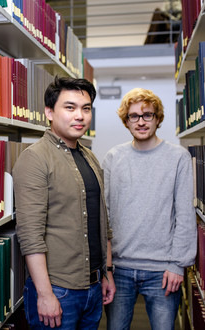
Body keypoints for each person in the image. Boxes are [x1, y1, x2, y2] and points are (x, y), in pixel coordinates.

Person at [12, 76, 115, 329]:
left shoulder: (89, 156)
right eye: (70, 107)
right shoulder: (35, 158)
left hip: (93, 287)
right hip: (59, 290)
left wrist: (107, 273)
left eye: (86, 108)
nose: (79, 116)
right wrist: (45, 295)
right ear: (49, 111)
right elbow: (30, 235)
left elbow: (103, 220)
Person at [102, 87, 197, 330]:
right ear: (126, 121)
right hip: (120, 270)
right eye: (134, 116)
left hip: (163, 271)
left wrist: (178, 265)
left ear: (158, 118)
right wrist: (107, 267)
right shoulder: (113, 157)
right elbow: (106, 215)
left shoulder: (178, 158)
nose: (141, 122)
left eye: (148, 115)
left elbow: (185, 215)